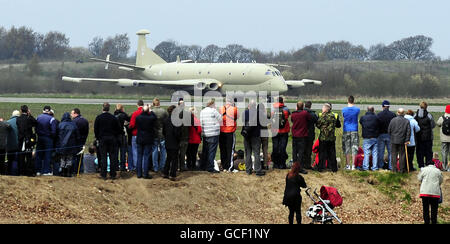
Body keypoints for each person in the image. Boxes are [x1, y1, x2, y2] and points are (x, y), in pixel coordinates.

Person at [94, 102, 121, 180]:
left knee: (103, 157)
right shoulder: (113, 118)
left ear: (102, 108)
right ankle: (113, 174)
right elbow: (118, 129)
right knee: (112, 157)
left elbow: (96, 129)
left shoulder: (99, 117)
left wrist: (98, 137)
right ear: (109, 109)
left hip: (102, 139)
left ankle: (103, 174)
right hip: (112, 139)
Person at [242, 100, 265, 176]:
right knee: (256, 153)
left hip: (247, 135)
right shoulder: (259, 113)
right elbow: (262, 124)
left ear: (249, 105)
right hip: (255, 136)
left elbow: (243, 122)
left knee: (248, 153)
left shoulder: (245, 112)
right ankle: (258, 170)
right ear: (255, 106)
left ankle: (248, 170)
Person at [316, 103, 341, 172]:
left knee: (322, 153)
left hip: (323, 138)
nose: (322, 109)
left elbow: (318, 125)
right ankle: (334, 168)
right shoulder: (333, 116)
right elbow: (338, 125)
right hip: (331, 138)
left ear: (325, 109)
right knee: (332, 153)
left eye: (323, 108)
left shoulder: (322, 116)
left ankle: (320, 168)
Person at [418, 160, 443, 224]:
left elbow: (419, 178)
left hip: (425, 192)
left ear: (427, 164)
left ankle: (426, 222)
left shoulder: (423, 170)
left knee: (425, 208)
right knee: (434, 209)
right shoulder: (438, 171)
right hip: (435, 193)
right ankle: (434, 221)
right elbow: (440, 181)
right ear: (434, 164)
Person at [200, 98, 222, 173]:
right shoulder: (213, 111)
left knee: (205, 150)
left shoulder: (202, 111)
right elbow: (220, 119)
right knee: (212, 151)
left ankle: (203, 166)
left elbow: (201, 122)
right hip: (213, 133)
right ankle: (210, 167)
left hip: (205, 133)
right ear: (212, 104)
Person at [135, 105, 157, 179]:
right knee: (146, 156)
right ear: (148, 111)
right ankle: (145, 174)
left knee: (139, 156)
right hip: (148, 139)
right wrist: (150, 110)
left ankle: (139, 173)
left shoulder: (138, 118)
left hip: (140, 138)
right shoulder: (150, 118)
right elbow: (155, 117)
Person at [35, 105, 57, 176]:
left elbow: (35, 128)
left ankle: (38, 170)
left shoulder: (38, 117)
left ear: (43, 110)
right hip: (48, 138)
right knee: (47, 155)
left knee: (39, 154)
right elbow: (54, 131)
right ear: (50, 111)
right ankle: (46, 171)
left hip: (40, 138)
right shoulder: (52, 119)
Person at [291, 101, 311, 174]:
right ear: (303, 107)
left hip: (294, 135)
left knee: (294, 151)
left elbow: (292, 120)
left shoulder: (293, 114)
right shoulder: (305, 113)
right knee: (301, 152)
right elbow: (309, 119)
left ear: (296, 107)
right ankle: (299, 167)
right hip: (302, 135)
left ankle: (294, 166)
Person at [57, 112, 80, 177]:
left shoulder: (60, 125)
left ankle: (63, 172)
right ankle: (68, 172)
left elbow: (57, 135)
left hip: (62, 145)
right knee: (69, 159)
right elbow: (77, 136)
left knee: (63, 158)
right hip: (71, 145)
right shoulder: (73, 125)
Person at [16, 105, 37, 176]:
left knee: (21, 157)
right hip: (28, 140)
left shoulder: (18, 119)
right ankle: (29, 172)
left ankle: (21, 172)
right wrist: (30, 115)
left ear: (21, 111)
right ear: (27, 111)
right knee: (29, 157)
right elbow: (35, 123)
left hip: (21, 140)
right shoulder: (29, 119)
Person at [388, 108, 411, 173]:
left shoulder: (393, 120)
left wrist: (392, 136)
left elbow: (389, 130)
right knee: (402, 155)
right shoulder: (406, 121)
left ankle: (394, 169)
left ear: (397, 113)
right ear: (403, 113)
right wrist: (407, 140)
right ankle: (401, 169)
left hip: (393, 140)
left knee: (393, 155)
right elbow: (408, 132)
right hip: (402, 141)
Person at [219, 98, 238, 172]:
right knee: (230, 149)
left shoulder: (221, 108)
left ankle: (224, 166)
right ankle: (230, 167)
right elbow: (236, 117)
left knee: (222, 149)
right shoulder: (234, 109)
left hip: (221, 131)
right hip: (230, 131)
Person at [271, 97, 291, 169]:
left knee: (275, 147)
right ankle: (282, 164)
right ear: (282, 101)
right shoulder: (286, 109)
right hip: (284, 131)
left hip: (274, 131)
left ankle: (275, 164)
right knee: (282, 147)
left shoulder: (273, 108)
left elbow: (271, 117)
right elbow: (288, 116)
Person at [415, 101, 435, 169]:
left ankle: (420, 166)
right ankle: (428, 165)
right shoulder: (429, 115)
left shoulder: (415, 115)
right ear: (426, 107)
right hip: (428, 137)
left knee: (419, 152)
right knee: (428, 152)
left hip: (418, 137)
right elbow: (433, 125)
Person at [342, 96, 360, 170]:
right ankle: (353, 165)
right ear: (353, 101)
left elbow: (344, 116)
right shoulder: (357, 109)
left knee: (347, 147)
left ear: (348, 101)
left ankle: (347, 165)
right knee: (354, 147)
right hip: (354, 129)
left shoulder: (344, 109)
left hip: (346, 129)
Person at [163, 105, 181, 180]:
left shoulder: (166, 120)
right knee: (174, 159)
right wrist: (178, 139)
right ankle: (172, 174)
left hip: (167, 141)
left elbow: (164, 131)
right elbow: (177, 133)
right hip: (174, 142)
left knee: (168, 158)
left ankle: (165, 173)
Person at [377, 100, 396, 170]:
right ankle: (391, 167)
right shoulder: (393, 115)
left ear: (382, 107)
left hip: (381, 135)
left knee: (381, 152)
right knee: (391, 152)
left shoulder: (379, 115)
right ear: (388, 107)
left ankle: (380, 166)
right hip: (390, 135)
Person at [359, 106, 380, 171]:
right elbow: (379, 124)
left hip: (366, 137)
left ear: (367, 110)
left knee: (366, 153)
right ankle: (375, 167)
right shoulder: (377, 117)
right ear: (373, 110)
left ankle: (366, 167)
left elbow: (361, 123)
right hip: (375, 137)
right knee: (375, 153)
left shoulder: (363, 117)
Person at [151, 98, 169, 173]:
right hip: (162, 133)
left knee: (154, 150)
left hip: (154, 133)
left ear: (153, 103)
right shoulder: (164, 111)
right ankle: (162, 166)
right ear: (159, 103)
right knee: (163, 150)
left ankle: (155, 167)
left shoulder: (152, 111)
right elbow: (167, 121)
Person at [71, 108, 89, 174]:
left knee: (74, 157)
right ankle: (80, 170)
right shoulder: (85, 120)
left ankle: (74, 170)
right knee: (80, 156)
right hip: (82, 141)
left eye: (72, 113)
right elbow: (87, 132)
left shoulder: (74, 121)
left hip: (75, 142)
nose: (71, 115)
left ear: (75, 113)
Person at [128, 100, 145, 172]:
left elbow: (132, 125)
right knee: (144, 152)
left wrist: (129, 127)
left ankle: (137, 167)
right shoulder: (147, 113)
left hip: (135, 134)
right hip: (144, 135)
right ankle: (144, 167)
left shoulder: (135, 113)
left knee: (135, 151)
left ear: (137, 105)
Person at [114, 104, 130, 172]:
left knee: (116, 152)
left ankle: (116, 166)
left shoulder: (114, 115)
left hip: (115, 135)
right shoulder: (123, 115)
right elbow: (129, 119)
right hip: (122, 135)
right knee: (123, 152)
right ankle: (123, 167)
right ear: (122, 109)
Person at [177, 99, 190, 172]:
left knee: (176, 152)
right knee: (182, 153)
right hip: (185, 136)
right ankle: (182, 167)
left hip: (177, 137)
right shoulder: (187, 114)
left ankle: (176, 166)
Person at [304, 101, 318, 170]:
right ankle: (307, 164)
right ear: (310, 106)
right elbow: (317, 122)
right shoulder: (313, 114)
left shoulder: (301, 113)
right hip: (310, 134)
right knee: (309, 150)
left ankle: (301, 163)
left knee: (302, 149)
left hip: (302, 134)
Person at [436, 105, 450, 171]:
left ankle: (444, 167)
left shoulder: (442, 117)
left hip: (444, 139)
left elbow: (438, 123)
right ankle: (449, 168)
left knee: (444, 153)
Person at [6, 111, 20, 175]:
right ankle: (17, 172)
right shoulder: (21, 122)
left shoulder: (8, 122)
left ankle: (9, 172)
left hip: (10, 145)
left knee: (10, 160)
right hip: (19, 145)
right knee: (18, 160)